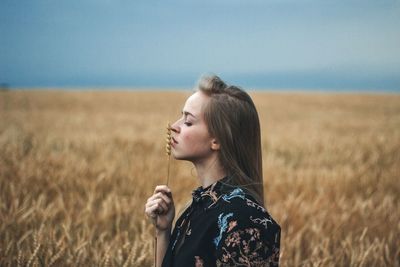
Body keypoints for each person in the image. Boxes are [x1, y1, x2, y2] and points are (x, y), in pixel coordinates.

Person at [145, 75, 281, 267]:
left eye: (188, 122)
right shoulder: (199, 208)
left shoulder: (245, 220)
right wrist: (163, 231)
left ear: (217, 140)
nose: (174, 127)